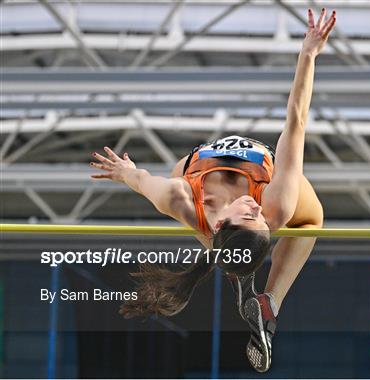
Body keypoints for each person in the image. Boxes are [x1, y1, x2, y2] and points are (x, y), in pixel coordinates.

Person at [89, 8, 336, 373]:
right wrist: (308, 55)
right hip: (258, 172)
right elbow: (296, 122)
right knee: (310, 218)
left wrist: (126, 172)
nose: (256, 209)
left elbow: (142, 181)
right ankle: (270, 301)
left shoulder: (179, 198)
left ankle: (238, 270)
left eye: (249, 215)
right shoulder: (273, 206)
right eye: (260, 219)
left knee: (186, 197)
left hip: (196, 180)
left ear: (222, 224)